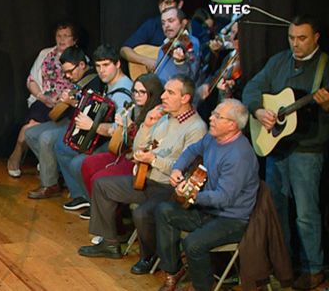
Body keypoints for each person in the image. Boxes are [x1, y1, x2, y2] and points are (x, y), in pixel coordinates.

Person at [78, 74, 206, 276]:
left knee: (142, 213)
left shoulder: (196, 128)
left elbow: (185, 167)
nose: (163, 96)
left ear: (185, 98)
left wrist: (153, 160)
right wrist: (146, 126)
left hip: (168, 188)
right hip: (146, 179)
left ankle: (150, 256)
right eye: (164, 91)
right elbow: (139, 147)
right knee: (102, 185)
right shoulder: (163, 118)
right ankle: (110, 243)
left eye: (170, 93)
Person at [241, 15, 329, 290]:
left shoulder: (324, 66)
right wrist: (258, 110)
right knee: (276, 209)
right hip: (276, 147)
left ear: (316, 38)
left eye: (302, 38)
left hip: (308, 148)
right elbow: (253, 87)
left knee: (305, 212)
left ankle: (313, 267)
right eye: (291, 38)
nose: (295, 43)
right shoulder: (279, 60)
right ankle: (284, 264)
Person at [154, 99, 259, 291]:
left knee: (193, 244)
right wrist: (178, 168)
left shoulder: (239, 156)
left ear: (232, 125)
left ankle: (202, 287)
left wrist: (190, 195)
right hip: (208, 209)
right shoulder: (213, 137)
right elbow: (192, 150)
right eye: (213, 113)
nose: (211, 118)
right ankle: (173, 271)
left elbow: (223, 198)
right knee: (163, 211)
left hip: (230, 219)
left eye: (218, 116)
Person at [55, 44, 133, 218]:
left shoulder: (123, 92)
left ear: (118, 64)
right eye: (98, 66)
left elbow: (119, 132)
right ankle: (85, 197)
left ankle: (99, 206)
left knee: (78, 163)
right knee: (64, 146)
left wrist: (93, 126)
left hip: (118, 146)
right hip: (101, 138)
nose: (101, 71)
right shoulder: (109, 85)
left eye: (106, 65)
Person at [25, 47, 103, 199]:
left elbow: (92, 111)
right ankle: (59, 173)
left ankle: (50, 184)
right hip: (67, 119)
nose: (67, 76)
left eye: (70, 72)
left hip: (80, 124)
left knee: (46, 138)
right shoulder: (77, 80)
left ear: (81, 65)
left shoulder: (93, 80)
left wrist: (73, 103)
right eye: (65, 72)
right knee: (30, 133)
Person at [6, 23, 78, 178]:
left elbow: (81, 87)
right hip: (44, 99)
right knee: (28, 128)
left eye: (66, 36)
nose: (62, 39)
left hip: (66, 105)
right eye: (59, 36)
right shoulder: (46, 54)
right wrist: (43, 97)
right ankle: (16, 157)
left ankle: (48, 163)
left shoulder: (80, 58)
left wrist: (65, 99)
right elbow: (31, 80)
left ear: (74, 40)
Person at [80, 73, 164, 199]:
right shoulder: (134, 108)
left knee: (99, 178)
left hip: (139, 161)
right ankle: (97, 206)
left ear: (152, 93)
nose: (137, 96)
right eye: (135, 91)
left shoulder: (157, 114)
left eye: (142, 92)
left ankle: (110, 213)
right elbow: (121, 140)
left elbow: (148, 145)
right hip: (124, 153)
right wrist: (120, 127)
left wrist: (131, 128)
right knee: (88, 164)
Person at [120, 0, 207, 72]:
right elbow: (124, 50)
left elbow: (199, 64)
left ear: (180, 4)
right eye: (160, 3)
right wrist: (146, 61)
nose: (163, 7)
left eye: (168, 3)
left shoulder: (194, 30)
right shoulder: (152, 24)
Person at [153, 7, 201, 84]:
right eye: (163, 23)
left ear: (183, 23)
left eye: (170, 21)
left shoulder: (191, 43)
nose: (166, 25)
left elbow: (191, 77)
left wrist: (180, 62)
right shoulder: (165, 45)